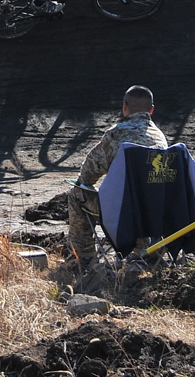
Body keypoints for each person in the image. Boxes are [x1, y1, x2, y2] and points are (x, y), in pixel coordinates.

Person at [67, 85, 168, 266]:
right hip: (155, 213)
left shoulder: (117, 134)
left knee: (76, 194)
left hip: (124, 213)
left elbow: (86, 176)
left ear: (124, 106)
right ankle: (148, 246)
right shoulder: (161, 139)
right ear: (151, 110)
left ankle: (86, 257)